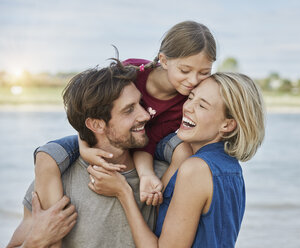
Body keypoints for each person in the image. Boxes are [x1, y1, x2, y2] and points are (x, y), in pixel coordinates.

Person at [33, 20, 217, 219]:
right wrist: (84, 147)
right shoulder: (132, 72)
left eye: (204, 73)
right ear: (163, 60)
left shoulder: (185, 102)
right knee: (48, 155)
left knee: (182, 151)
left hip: (145, 139)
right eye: (185, 71)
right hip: (111, 132)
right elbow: (92, 107)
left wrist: (146, 174)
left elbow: (150, 140)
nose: (193, 81)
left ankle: (161, 210)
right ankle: (49, 223)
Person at [87, 72, 266, 247]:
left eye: (202, 106)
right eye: (191, 97)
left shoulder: (196, 169)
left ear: (227, 124)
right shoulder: (231, 168)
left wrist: (122, 192)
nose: (188, 107)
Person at [7, 59, 171, 247]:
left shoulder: (160, 178)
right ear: (96, 125)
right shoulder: (56, 179)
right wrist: (35, 242)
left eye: (140, 103)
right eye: (129, 110)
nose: (145, 115)